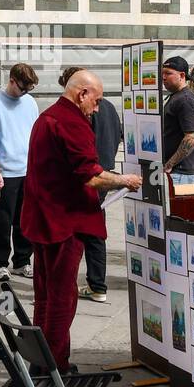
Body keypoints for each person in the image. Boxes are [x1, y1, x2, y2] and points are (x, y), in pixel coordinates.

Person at [21, 70, 141, 372]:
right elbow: (91, 176)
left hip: (43, 217)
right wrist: (124, 180)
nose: (97, 108)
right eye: (97, 100)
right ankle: (55, 365)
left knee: (45, 293)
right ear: (82, 94)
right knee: (62, 296)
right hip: (64, 221)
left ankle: (41, 359)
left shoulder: (48, 116)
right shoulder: (71, 122)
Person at [54, 65, 123, 305]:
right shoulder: (111, 107)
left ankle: (66, 286)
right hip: (104, 173)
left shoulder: (82, 111)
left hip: (88, 177)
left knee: (71, 235)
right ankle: (98, 285)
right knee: (96, 233)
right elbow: (117, 136)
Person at [0, 62, 39, 283]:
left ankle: (23, 260)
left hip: (27, 170)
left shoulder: (30, 103)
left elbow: (35, 135)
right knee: (0, 220)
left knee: (25, 219)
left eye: (28, 89)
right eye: (22, 88)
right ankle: (0, 262)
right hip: (4, 172)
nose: (24, 93)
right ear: (12, 80)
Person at [161, 56, 194, 184]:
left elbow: (192, 137)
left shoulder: (186, 100)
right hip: (176, 172)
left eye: (168, 73)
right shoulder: (175, 97)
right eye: (162, 73)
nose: (163, 77)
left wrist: (170, 164)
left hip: (181, 173)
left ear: (182, 75)